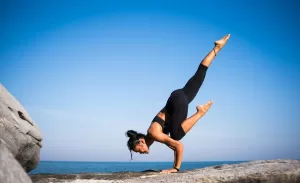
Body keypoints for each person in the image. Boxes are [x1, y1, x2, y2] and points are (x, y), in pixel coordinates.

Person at [125, 34, 231, 173]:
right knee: (200, 74)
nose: (140, 153)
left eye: (137, 150)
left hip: (177, 102)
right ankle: (217, 48)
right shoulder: (151, 135)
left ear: (141, 142)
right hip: (177, 96)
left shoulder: (154, 133)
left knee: (176, 136)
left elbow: (178, 146)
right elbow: (169, 145)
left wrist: (175, 168)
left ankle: (200, 112)